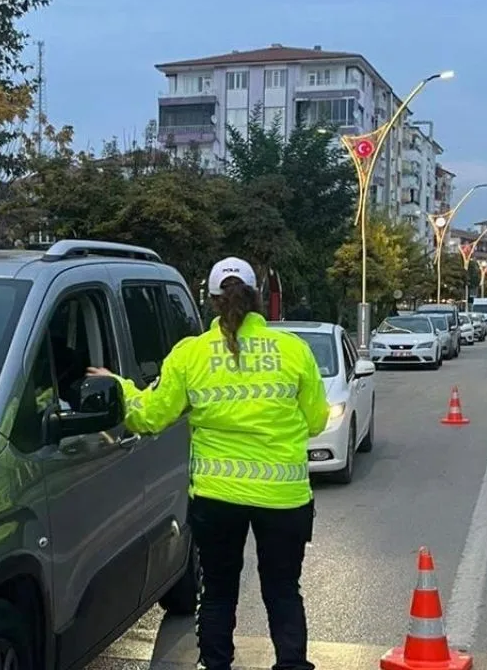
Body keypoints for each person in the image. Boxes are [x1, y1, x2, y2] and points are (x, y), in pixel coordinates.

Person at [87, 257, 328, 670]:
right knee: (284, 591)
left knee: (217, 593)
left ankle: (216, 666)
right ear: (256, 298)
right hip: (284, 498)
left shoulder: (190, 354)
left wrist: (118, 386)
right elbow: (317, 419)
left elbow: (151, 416)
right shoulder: (294, 350)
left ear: (212, 300)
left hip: (217, 498)